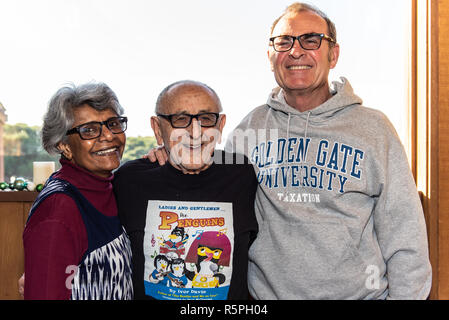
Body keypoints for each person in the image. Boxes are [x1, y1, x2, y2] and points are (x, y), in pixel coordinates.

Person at [147, 3, 432, 300]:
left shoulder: (375, 129)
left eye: (311, 40)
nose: (296, 51)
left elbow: (406, 238)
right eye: (283, 42)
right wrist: (167, 158)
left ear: (333, 55)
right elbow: (207, 193)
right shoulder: (248, 130)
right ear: (270, 57)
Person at [113, 80, 258, 300]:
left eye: (206, 119)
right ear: (157, 128)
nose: (195, 131)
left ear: (220, 126)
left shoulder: (242, 175)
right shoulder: (129, 180)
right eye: (180, 120)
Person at [22, 82, 133, 300]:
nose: (109, 136)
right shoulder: (58, 208)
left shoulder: (109, 188)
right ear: (64, 145)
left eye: (112, 123)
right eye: (89, 130)